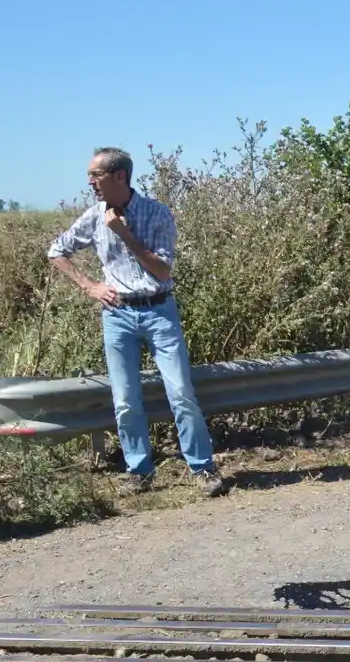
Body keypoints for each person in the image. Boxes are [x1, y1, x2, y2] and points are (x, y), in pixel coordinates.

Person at [45, 147, 226, 497]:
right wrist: (90, 287)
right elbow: (56, 251)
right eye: (90, 175)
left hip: (159, 310)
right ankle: (139, 471)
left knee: (181, 394)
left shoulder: (156, 213)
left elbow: (162, 269)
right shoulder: (93, 216)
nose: (90, 182)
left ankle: (203, 469)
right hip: (117, 315)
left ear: (120, 177)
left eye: (96, 175)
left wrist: (126, 234)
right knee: (125, 399)